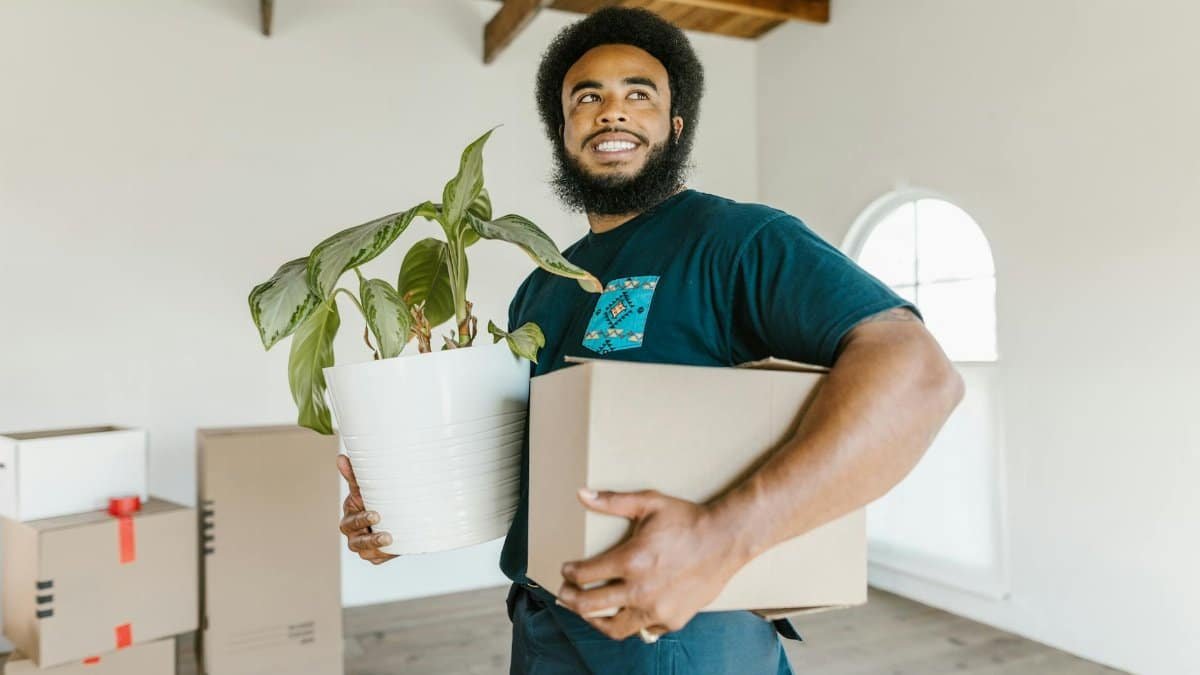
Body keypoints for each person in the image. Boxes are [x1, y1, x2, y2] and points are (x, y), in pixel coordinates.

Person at [338, 7, 963, 674]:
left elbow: (921, 374)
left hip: (681, 627)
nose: (613, 111)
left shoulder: (737, 239)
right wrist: (407, 509)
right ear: (563, 129)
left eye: (639, 93)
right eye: (588, 97)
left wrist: (722, 539)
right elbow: (534, 460)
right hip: (540, 616)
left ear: (675, 125)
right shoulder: (543, 286)